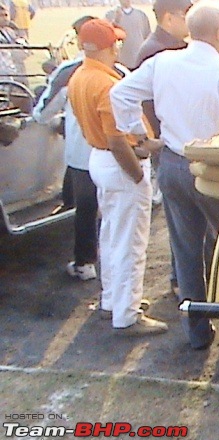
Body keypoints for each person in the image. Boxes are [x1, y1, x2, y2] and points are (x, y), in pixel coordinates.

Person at [110, 0, 219, 349]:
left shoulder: (163, 63)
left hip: (172, 163)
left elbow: (121, 92)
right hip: (213, 167)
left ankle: (197, 332)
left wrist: (137, 135)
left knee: (186, 252)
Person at [68, 18, 167, 335]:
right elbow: (116, 139)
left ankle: (113, 300)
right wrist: (139, 175)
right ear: (109, 46)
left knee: (112, 235)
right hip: (118, 161)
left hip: (100, 159)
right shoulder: (105, 84)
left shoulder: (81, 75)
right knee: (129, 242)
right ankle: (126, 313)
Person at [33, 15, 102, 282]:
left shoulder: (67, 72)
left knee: (85, 208)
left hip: (83, 154)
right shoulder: (120, 71)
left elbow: (41, 114)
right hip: (116, 152)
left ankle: (85, 262)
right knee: (113, 210)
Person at [133, 0, 192, 300]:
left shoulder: (171, 46)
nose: (190, 21)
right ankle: (181, 279)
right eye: (187, 15)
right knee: (182, 221)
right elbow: (143, 102)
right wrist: (154, 137)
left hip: (173, 141)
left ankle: (184, 277)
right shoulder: (156, 51)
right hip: (169, 144)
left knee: (182, 220)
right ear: (169, 18)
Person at [105, 0, 151, 69]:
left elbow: (147, 37)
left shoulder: (141, 15)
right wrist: (115, 21)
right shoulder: (110, 15)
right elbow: (105, 36)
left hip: (139, 61)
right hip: (120, 63)